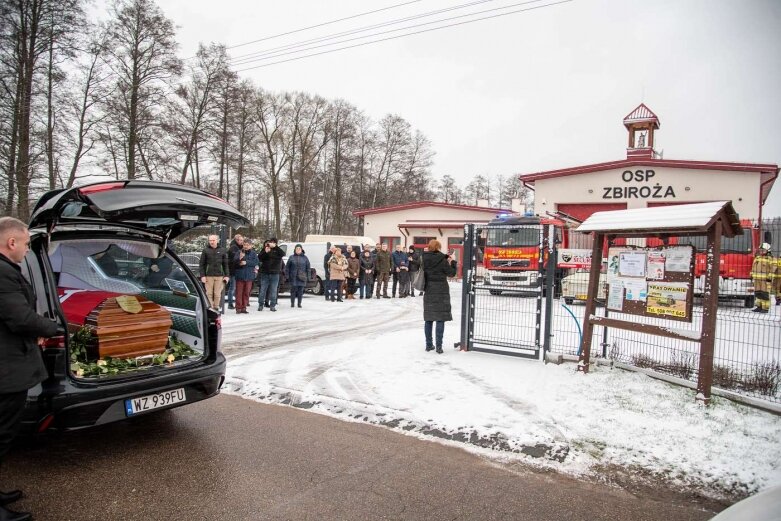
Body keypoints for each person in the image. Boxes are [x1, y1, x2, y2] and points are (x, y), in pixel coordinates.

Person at [0, 217, 61, 521]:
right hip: (6, 369)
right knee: (1, 434)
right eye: (25, 244)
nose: (26, 250)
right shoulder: (2, 272)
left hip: (9, 363)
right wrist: (54, 327)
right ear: (12, 242)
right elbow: (20, 317)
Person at [422, 239, 457, 353]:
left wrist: (446, 257)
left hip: (429, 290)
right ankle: (439, 347)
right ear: (438, 247)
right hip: (441, 291)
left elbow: (426, 269)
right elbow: (451, 273)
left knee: (429, 319)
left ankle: (428, 345)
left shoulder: (424, 258)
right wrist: (453, 262)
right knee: (440, 319)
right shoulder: (442, 260)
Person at [199, 234, 229, 311]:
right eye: (210, 240)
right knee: (209, 293)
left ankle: (216, 307)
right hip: (208, 276)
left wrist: (227, 275)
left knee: (217, 293)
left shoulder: (222, 250)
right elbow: (201, 264)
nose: (211, 242)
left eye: (213, 240)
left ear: (217, 240)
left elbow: (225, 264)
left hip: (219, 276)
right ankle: (210, 308)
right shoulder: (205, 250)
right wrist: (202, 276)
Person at [258, 237, 285, 312]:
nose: (271, 243)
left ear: (276, 243)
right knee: (263, 290)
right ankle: (260, 305)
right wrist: (265, 252)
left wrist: (275, 247)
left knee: (273, 290)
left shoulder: (278, 250)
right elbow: (259, 258)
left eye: (273, 242)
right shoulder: (265, 249)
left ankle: (272, 305)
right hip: (265, 272)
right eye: (270, 242)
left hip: (275, 273)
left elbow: (283, 254)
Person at [233, 239, 259, 314]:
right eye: (244, 245)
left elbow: (256, 262)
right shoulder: (239, 252)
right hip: (240, 276)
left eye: (247, 245)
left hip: (249, 276)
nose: (246, 246)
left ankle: (244, 307)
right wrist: (239, 259)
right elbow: (234, 262)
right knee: (239, 293)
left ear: (251, 246)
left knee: (246, 293)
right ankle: (238, 308)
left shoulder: (253, 253)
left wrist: (246, 262)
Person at [750, 242, 777, 313]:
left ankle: (765, 308)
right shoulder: (757, 258)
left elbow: (773, 269)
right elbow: (753, 268)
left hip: (765, 280)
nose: (761, 251)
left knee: (764, 294)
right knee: (758, 293)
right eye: (761, 250)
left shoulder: (771, 259)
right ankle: (759, 306)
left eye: (763, 250)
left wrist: (770, 277)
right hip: (757, 279)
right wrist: (752, 275)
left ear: (768, 250)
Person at [226, 234, 244, 309]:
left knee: (236, 287)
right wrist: (240, 257)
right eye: (240, 240)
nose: (242, 242)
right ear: (236, 240)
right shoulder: (234, 247)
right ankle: (230, 303)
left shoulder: (240, 247)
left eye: (242, 240)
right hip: (233, 270)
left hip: (238, 269)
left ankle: (237, 302)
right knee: (233, 287)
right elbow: (234, 259)